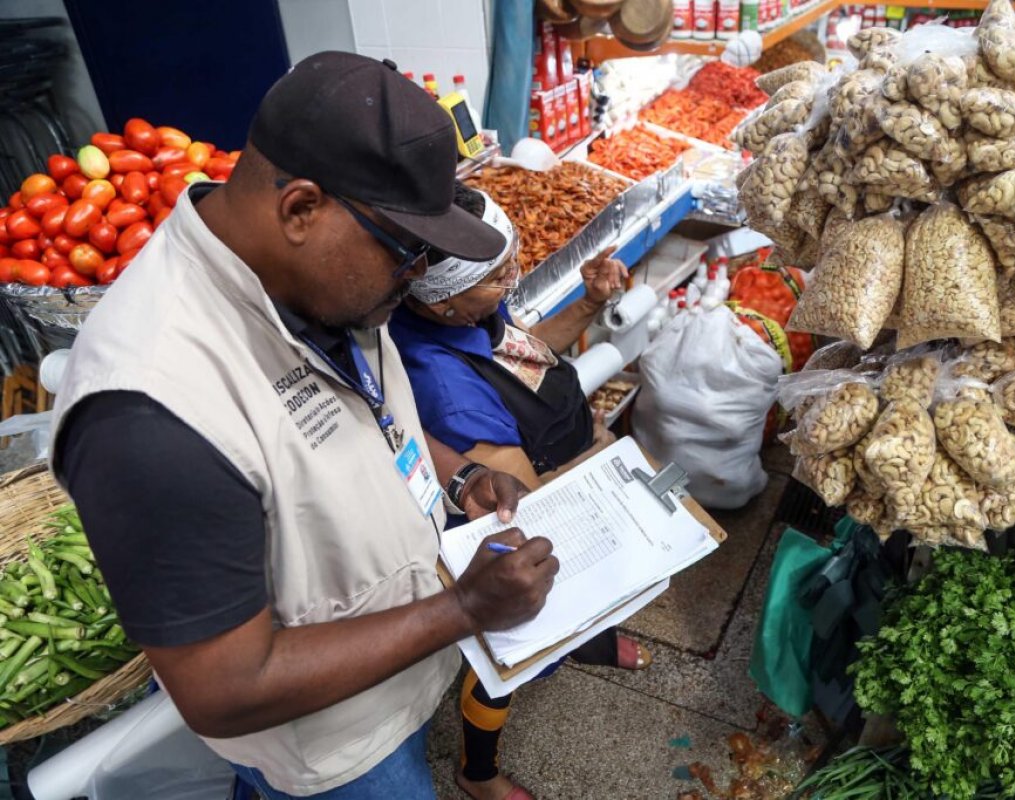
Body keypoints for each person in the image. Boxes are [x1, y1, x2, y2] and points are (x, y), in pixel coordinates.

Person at [49, 53, 559, 800]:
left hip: (392, 671)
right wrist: (462, 609)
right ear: (301, 209)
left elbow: (368, 422)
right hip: (334, 749)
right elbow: (225, 686)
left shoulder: (321, 283)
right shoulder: (152, 410)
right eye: (408, 252)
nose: (419, 276)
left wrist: (458, 476)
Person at [388, 185, 650, 800]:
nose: (515, 278)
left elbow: (522, 357)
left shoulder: (470, 317)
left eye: (512, 261)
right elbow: (528, 508)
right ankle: (476, 772)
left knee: (581, 611)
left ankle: (588, 638)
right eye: (498, 275)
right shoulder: (445, 388)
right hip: (520, 508)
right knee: (512, 647)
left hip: (555, 464)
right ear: (445, 299)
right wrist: (604, 469)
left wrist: (589, 302)